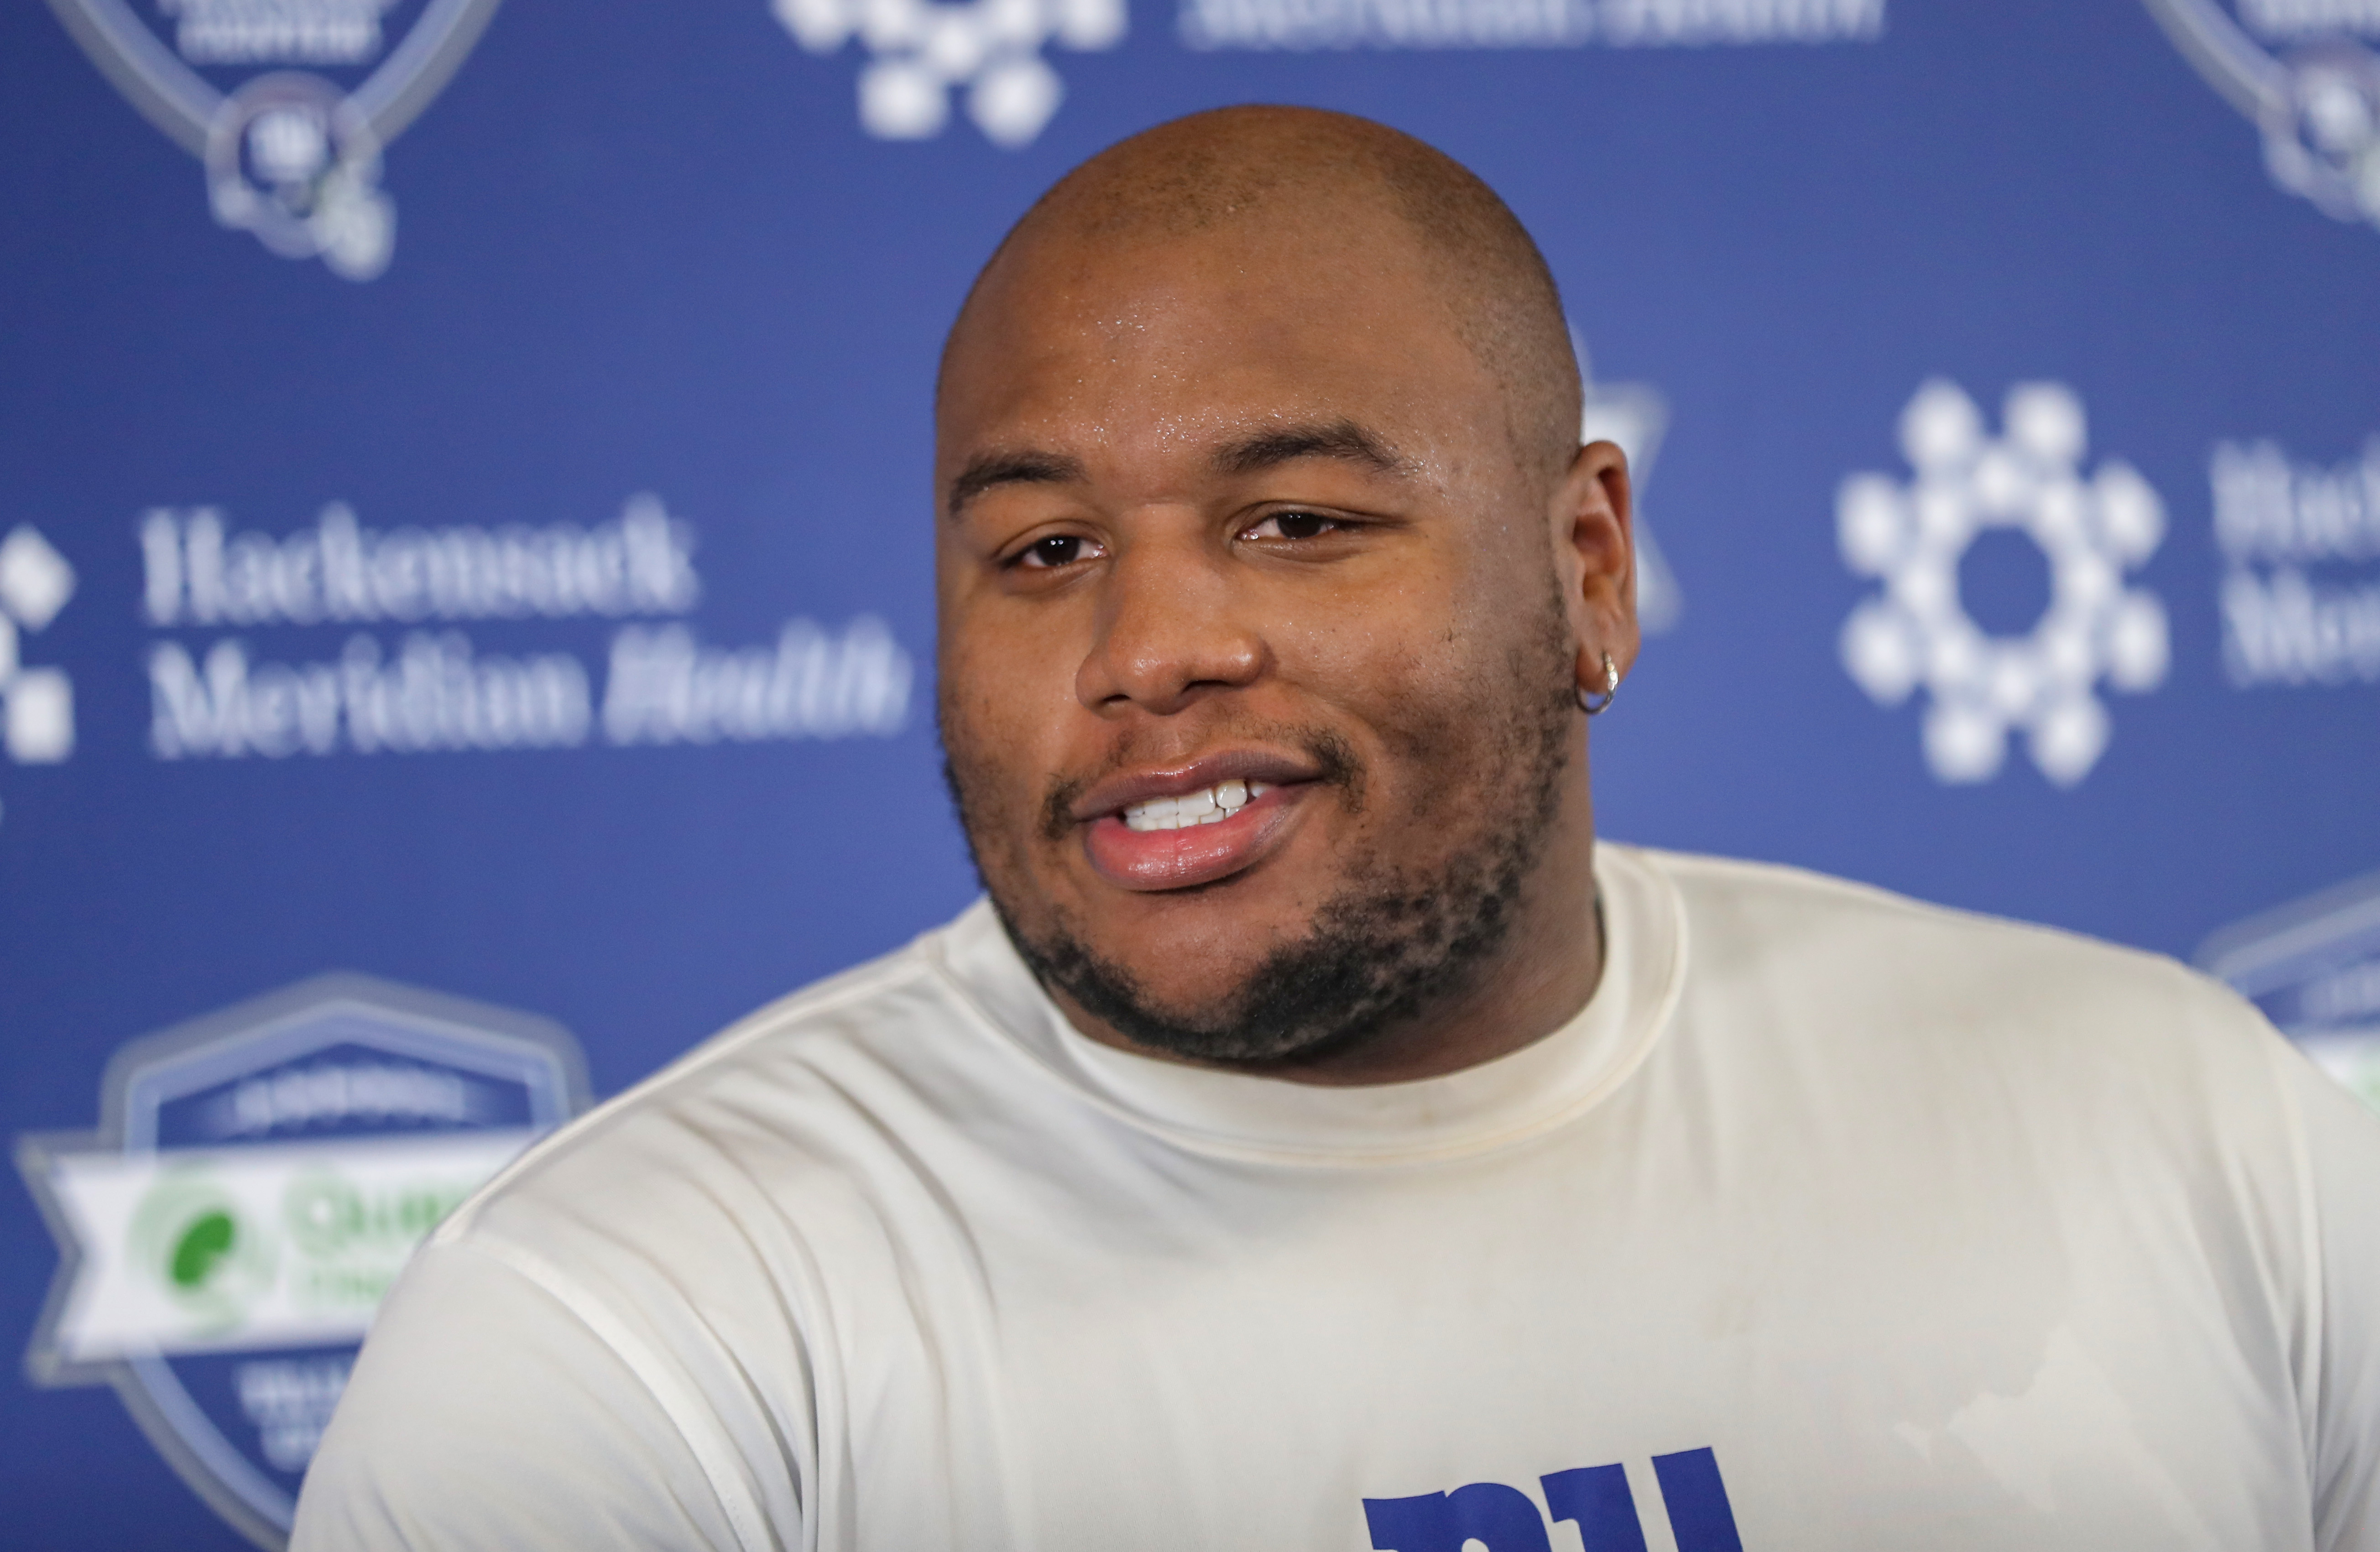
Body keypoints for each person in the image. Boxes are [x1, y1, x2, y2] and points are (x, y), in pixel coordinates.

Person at [292, 106, 2380, 1551]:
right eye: (1038, 549)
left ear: (1585, 564)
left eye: (1292, 522)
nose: (1146, 647)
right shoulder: (628, 1339)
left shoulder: (2188, 1126)